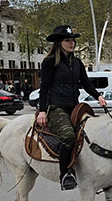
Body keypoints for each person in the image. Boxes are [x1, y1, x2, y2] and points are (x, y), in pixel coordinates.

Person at [36, 25, 106, 190]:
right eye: (68, 40)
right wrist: (42, 111)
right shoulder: (49, 62)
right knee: (68, 136)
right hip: (55, 108)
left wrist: (98, 96)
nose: (71, 43)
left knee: (94, 131)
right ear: (59, 42)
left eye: (73, 40)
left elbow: (86, 83)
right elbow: (44, 87)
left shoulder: (77, 62)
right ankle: (65, 174)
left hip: (74, 107)